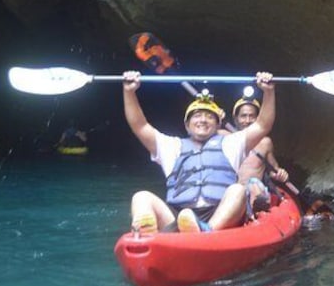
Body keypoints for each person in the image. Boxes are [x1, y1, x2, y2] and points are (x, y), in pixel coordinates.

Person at [122, 70, 276, 234]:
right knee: (141, 197)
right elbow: (140, 126)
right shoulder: (172, 146)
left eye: (209, 117)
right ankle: (145, 236)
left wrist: (268, 91)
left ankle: (206, 231)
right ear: (187, 125)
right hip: (180, 216)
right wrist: (129, 92)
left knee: (237, 190)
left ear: (218, 126)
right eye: (197, 116)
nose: (203, 120)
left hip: (219, 213)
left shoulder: (231, 143)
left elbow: (262, 125)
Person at [231, 96, 290, 217]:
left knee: (253, 184)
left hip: (254, 191)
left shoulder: (265, 143)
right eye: (243, 116)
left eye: (252, 116)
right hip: (232, 193)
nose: (247, 120)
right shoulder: (226, 139)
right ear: (235, 119)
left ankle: (255, 215)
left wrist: (280, 174)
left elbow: (274, 170)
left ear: (258, 119)